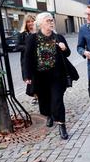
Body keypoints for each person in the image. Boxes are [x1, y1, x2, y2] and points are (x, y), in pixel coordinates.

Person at [23, 12, 72, 140]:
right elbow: (27, 58)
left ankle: (62, 125)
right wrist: (26, 75)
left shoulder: (58, 37)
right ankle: (49, 115)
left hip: (57, 76)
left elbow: (68, 54)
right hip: (40, 77)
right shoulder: (33, 38)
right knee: (44, 102)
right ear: (40, 24)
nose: (51, 22)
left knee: (57, 100)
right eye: (48, 20)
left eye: (52, 20)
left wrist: (64, 48)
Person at [16, 15, 37, 104]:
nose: (30, 23)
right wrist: (28, 47)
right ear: (26, 23)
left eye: (32, 21)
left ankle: (40, 95)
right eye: (28, 22)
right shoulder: (22, 34)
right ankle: (35, 96)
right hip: (27, 60)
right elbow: (17, 46)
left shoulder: (39, 32)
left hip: (38, 59)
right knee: (31, 78)